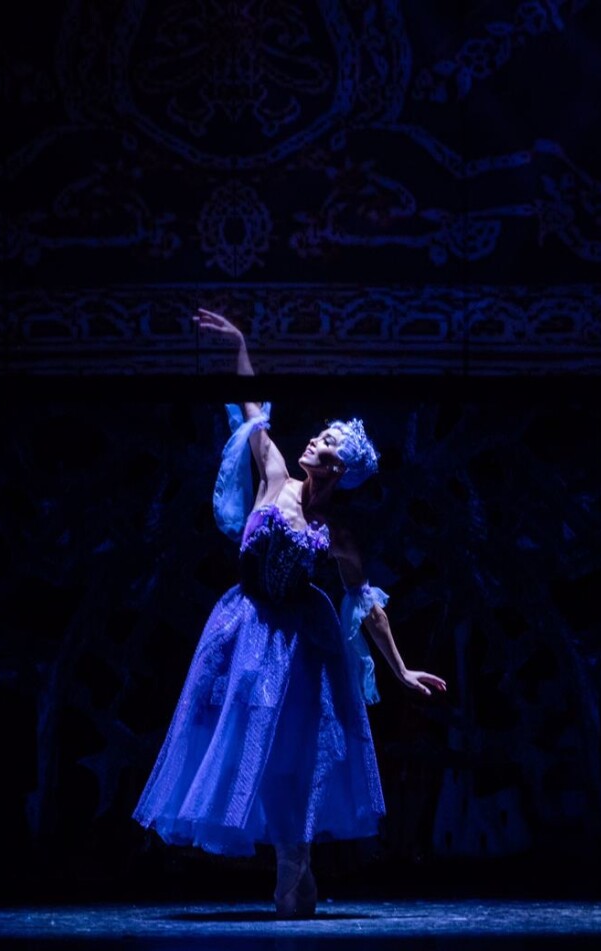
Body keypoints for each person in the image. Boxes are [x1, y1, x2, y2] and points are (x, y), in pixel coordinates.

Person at [132, 307, 447, 918]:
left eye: (325, 443)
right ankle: (293, 870)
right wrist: (239, 347)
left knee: (292, 760)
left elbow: (366, 605)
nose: (313, 440)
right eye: (320, 435)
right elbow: (251, 406)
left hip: (303, 646)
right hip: (246, 630)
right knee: (249, 749)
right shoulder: (274, 475)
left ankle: (293, 869)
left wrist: (400, 669)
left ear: (337, 470)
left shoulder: (337, 533)